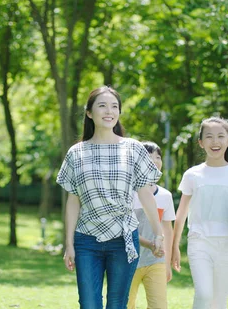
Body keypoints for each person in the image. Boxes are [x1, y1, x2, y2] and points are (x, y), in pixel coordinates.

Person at [56, 86, 165, 309]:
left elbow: (145, 194)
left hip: (123, 238)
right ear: (89, 113)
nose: (109, 111)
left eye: (114, 106)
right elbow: (73, 201)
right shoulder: (76, 153)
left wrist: (158, 233)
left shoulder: (133, 148)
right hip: (86, 239)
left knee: (117, 304)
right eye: (102, 105)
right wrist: (69, 244)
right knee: (88, 304)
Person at [171, 117, 228, 309]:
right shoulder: (192, 174)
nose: (215, 142)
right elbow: (180, 215)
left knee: (219, 302)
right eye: (209, 137)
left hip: (227, 244)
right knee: (204, 295)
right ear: (201, 143)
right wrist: (174, 247)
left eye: (221, 136)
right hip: (200, 241)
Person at [127, 141, 176, 309]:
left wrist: (167, 262)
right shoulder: (127, 193)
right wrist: (151, 244)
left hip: (156, 262)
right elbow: (126, 228)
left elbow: (167, 231)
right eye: (149, 156)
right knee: (124, 305)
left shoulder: (165, 195)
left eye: (158, 156)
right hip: (127, 261)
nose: (155, 160)